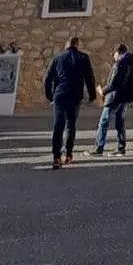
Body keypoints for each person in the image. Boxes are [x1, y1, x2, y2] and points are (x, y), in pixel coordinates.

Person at [42, 35, 98, 169]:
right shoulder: (83, 58)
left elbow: (47, 79)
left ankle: (56, 157)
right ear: (77, 45)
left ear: (66, 46)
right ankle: (68, 154)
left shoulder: (57, 58)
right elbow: (89, 78)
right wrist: (92, 95)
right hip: (75, 95)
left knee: (58, 125)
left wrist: (50, 96)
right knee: (70, 125)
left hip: (60, 95)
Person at [93, 43, 133, 157]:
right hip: (125, 97)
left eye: (114, 54)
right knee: (120, 122)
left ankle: (99, 147)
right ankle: (121, 148)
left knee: (103, 122)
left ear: (118, 52)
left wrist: (102, 91)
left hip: (114, 97)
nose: (114, 57)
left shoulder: (119, 64)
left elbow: (113, 84)